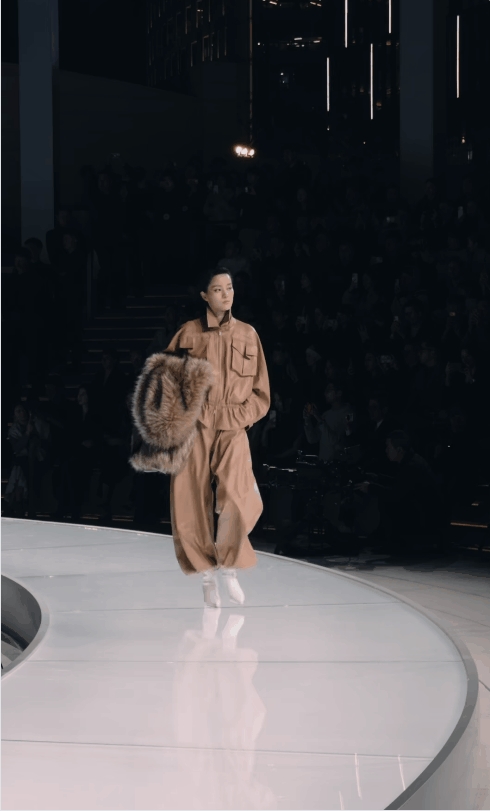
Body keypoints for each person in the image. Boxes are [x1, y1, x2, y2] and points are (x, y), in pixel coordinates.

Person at [164, 270, 270, 608]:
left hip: (233, 424)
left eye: (230, 288)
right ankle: (207, 576)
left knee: (237, 494)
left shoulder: (248, 334)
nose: (226, 294)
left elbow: (261, 391)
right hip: (195, 425)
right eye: (217, 289)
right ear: (204, 295)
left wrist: (240, 417)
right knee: (189, 499)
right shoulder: (188, 333)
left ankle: (230, 568)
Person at [355, 431, 445, 554]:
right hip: (422, 510)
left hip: (425, 518)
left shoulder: (412, 466)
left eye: (389, 447)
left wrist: (371, 488)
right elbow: (401, 483)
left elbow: (397, 494)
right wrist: (378, 478)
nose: (386, 450)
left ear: (399, 450)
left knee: (387, 501)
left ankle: (393, 542)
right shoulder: (411, 461)